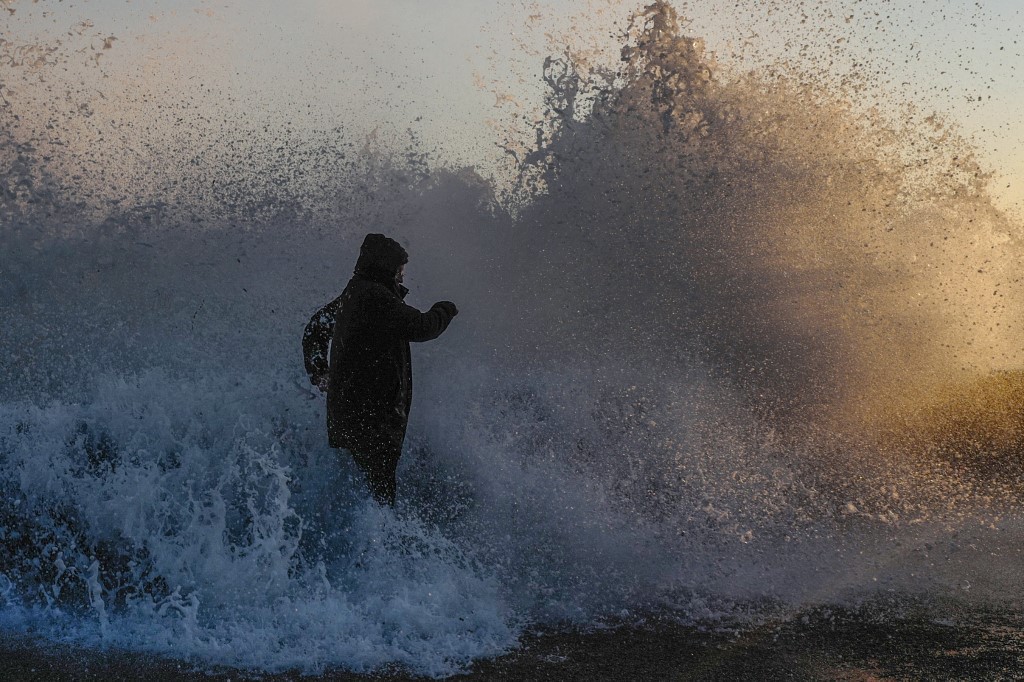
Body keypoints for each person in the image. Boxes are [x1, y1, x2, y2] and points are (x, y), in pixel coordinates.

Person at [302, 234, 458, 506]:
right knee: (380, 498)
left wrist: (319, 371)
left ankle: (360, 540)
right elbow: (422, 327)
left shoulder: (355, 292)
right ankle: (376, 545)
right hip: (371, 421)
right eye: (399, 270)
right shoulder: (375, 297)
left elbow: (315, 328)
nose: (402, 277)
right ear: (386, 267)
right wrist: (445, 309)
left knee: (360, 494)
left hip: (350, 417)